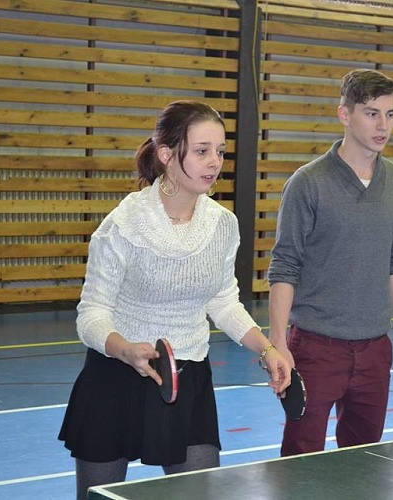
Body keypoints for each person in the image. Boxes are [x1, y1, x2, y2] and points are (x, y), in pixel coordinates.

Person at [59, 100, 291, 499]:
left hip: (188, 377)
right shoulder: (123, 225)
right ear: (166, 155)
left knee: (199, 492)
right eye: (201, 151)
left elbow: (223, 302)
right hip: (116, 376)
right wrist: (125, 349)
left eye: (220, 151)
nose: (214, 162)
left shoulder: (222, 224)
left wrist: (267, 348)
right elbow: (91, 313)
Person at [267, 69, 393, 457]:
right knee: (301, 461)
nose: (383, 125)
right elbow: (285, 266)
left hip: (375, 349)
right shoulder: (308, 183)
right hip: (315, 348)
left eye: (390, 114)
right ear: (345, 115)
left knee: (363, 462)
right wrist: (277, 342)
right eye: (372, 114)